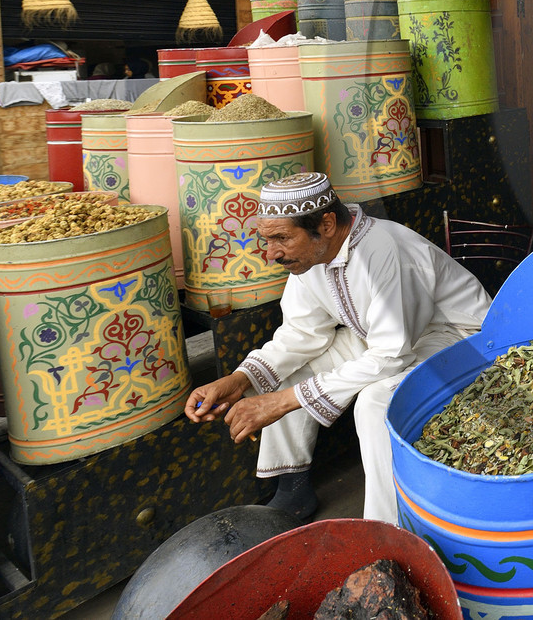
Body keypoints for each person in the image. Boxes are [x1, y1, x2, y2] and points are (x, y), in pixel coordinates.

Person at [184, 172, 490, 522]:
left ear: (326, 224)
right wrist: (238, 380)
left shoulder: (385, 250)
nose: (271, 254)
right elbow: (301, 332)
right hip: (386, 337)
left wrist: (281, 402)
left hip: (460, 339)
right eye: (266, 239)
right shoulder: (312, 255)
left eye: (282, 238)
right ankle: (292, 491)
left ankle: (388, 525)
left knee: (376, 400)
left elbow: (391, 356)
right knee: (291, 373)